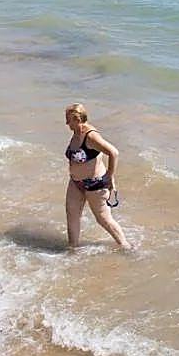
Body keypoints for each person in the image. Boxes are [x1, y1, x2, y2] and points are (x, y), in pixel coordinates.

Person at [64, 103, 130, 249]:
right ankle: (72, 249)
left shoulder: (91, 136)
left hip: (94, 185)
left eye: (69, 119)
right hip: (76, 183)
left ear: (77, 119)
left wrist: (109, 175)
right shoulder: (76, 132)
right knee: (72, 215)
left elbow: (113, 153)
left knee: (103, 219)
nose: (66, 123)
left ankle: (126, 246)